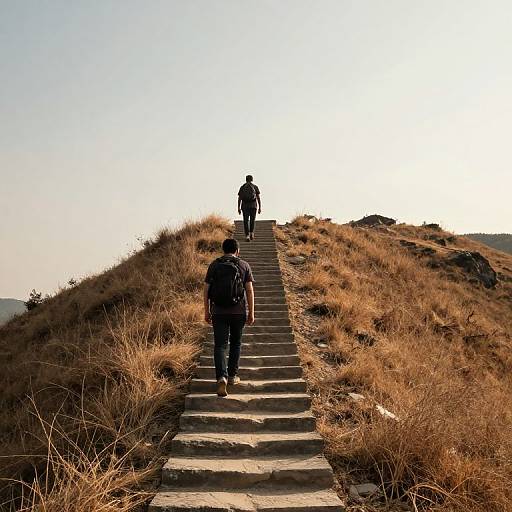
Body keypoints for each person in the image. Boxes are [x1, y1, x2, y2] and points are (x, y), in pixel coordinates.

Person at [204, 238, 255, 397]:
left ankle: (221, 378)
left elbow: (206, 291)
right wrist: (251, 312)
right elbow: (249, 291)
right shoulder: (244, 265)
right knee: (236, 343)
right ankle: (232, 376)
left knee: (220, 345)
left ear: (223, 249)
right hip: (238, 312)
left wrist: (207, 311)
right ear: (237, 250)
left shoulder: (214, 265)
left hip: (218, 312)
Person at [238, 175, 261, 241]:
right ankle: (251, 233)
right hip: (253, 206)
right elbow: (258, 198)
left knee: (245, 221)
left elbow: (240, 198)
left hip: (244, 206)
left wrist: (238, 208)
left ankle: (247, 236)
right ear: (252, 179)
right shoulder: (255, 187)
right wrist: (259, 207)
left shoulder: (242, 187)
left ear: (246, 179)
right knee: (252, 220)